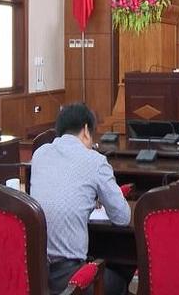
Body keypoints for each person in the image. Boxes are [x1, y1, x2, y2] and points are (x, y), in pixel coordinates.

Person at [30, 103, 132, 295]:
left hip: (35, 272)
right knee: (120, 277)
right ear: (86, 130)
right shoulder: (95, 161)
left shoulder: (40, 154)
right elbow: (122, 217)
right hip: (69, 277)